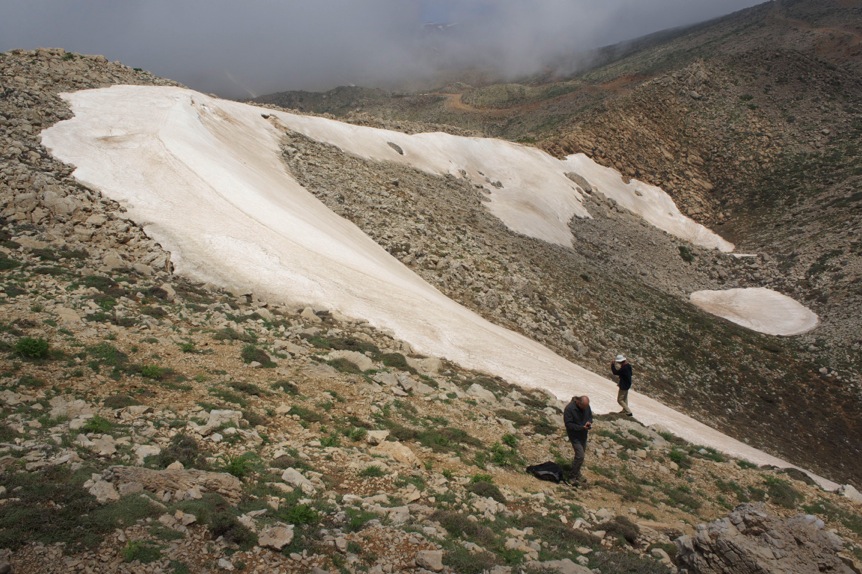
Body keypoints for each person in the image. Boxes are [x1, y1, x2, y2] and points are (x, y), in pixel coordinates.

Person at [563, 395, 593, 485]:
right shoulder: (569, 409)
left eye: (586, 407)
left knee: (581, 455)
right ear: (578, 403)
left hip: (583, 434)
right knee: (580, 455)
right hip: (574, 435)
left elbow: (590, 416)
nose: (585, 408)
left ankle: (576, 473)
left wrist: (589, 422)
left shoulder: (586, 407)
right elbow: (568, 424)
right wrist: (580, 427)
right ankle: (572, 476)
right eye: (583, 407)